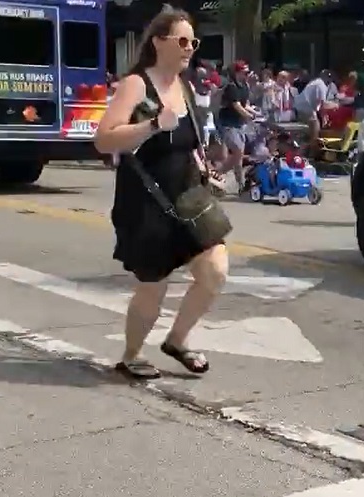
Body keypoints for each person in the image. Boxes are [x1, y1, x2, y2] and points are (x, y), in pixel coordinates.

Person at [94, 8, 230, 379]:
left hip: (188, 197)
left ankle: (177, 340)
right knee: (152, 288)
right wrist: (153, 124)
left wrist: (205, 169)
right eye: (181, 41)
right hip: (146, 202)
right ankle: (132, 354)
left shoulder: (184, 86)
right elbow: (104, 139)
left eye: (193, 42)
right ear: (158, 42)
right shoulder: (137, 85)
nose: (189, 49)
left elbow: (188, 143)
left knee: (215, 270)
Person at [218, 60, 257, 194]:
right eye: (244, 72)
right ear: (237, 73)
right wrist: (248, 116)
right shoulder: (231, 87)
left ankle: (240, 185)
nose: (247, 75)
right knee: (238, 152)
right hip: (227, 124)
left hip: (239, 124)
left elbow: (245, 105)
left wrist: (256, 113)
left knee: (238, 155)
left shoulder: (245, 86)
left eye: (247, 72)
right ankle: (217, 173)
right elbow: (236, 106)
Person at [294, 69, 335, 149]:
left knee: (315, 123)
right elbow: (323, 104)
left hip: (305, 107)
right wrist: (336, 105)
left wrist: (324, 116)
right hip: (304, 108)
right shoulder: (320, 85)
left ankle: (309, 145)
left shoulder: (317, 82)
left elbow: (319, 105)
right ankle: (312, 148)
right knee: (315, 127)